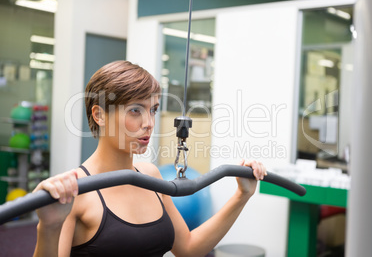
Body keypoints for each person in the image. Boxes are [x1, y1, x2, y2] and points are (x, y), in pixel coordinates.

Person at [33, 60, 267, 257]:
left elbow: (188, 248)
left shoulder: (150, 176)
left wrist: (241, 196)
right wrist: (49, 227)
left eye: (153, 109)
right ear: (99, 114)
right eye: (135, 110)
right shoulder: (75, 192)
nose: (149, 123)